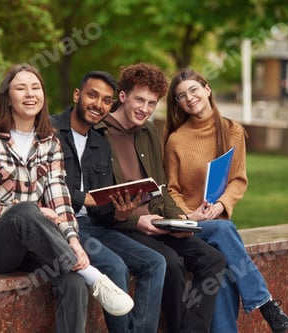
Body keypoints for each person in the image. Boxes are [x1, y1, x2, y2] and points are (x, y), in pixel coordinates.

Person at [0, 63, 133, 333]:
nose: (30, 94)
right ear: (7, 97)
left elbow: (60, 200)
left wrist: (74, 242)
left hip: (40, 245)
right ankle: (93, 276)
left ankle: (83, 274)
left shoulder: (49, 143)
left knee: (74, 284)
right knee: (26, 211)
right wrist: (34, 212)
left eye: (36, 87)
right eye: (21, 88)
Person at [95, 63, 227, 333]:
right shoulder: (99, 134)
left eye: (152, 103)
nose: (145, 108)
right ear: (123, 97)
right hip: (125, 227)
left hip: (160, 223)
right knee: (171, 264)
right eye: (139, 100)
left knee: (213, 260)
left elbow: (161, 187)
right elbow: (99, 201)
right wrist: (136, 221)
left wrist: (182, 219)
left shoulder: (149, 132)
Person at [163, 68, 288, 333]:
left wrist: (221, 205)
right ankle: (264, 302)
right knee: (224, 230)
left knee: (220, 270)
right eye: (180, 96)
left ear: (207, 89)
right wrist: (191, 215)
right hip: (189, 224)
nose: (189, 98)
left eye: (193, 90)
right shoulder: (176, 140)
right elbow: (171, 189)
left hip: (218, 224)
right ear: (177, 104)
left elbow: (238, 179)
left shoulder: (232, 131)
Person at [50, 70, 166, 333]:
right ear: (77, 95)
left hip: (94, 227)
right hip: (60, 225)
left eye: (105, 100)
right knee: (115, 266)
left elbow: (102, 210)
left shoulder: (100, 143)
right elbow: (42, 186)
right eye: (92, 95)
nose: (98, 105)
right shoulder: (51, 131)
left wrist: (122, 213)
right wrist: (85, 199)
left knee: (155, 262)